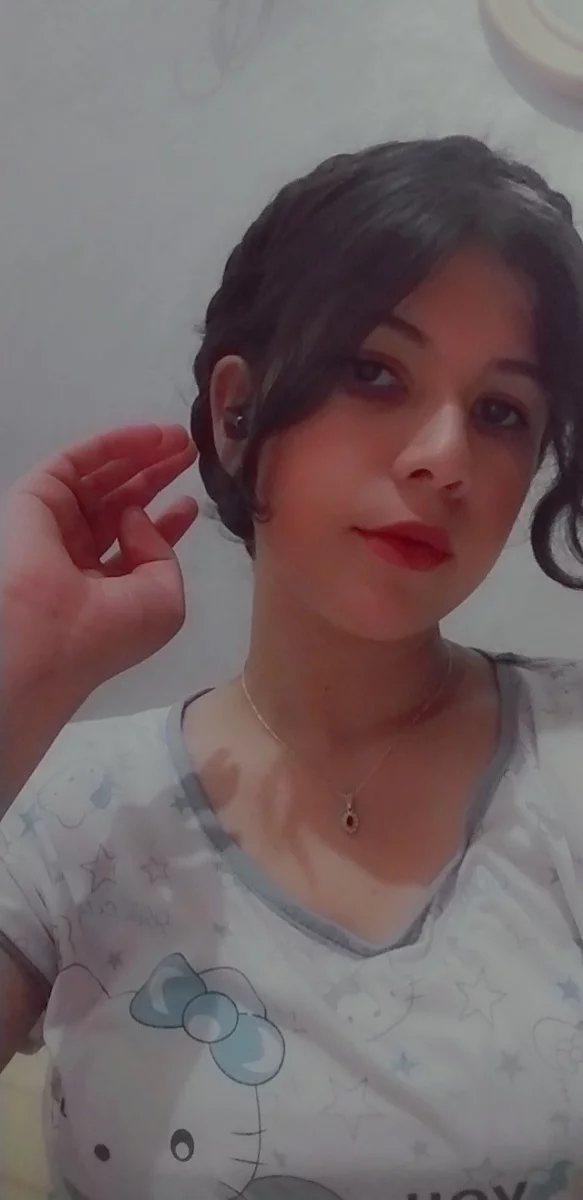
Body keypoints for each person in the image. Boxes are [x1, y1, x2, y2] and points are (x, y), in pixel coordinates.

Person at [2, 135, 583, 1200]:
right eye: (374, 372)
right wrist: (16, 668)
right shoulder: (67, 805)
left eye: (501, 412)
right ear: (237, 415)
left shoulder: (569, 754)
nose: (443, 458)